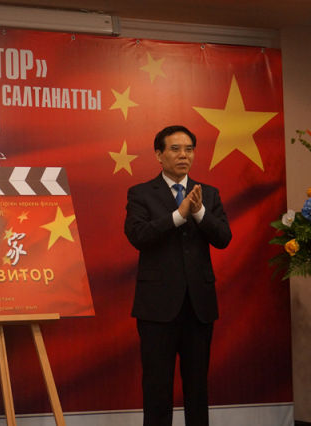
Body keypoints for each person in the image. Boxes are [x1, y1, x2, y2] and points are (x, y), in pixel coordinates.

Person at [124, 125, 232, 426]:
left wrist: (198, 213)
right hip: (157, 307)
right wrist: (178, 215)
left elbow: (224, 238)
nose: (183, 155)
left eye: (189, 149)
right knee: (157, 388)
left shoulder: (208, 194)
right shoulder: (141, 193)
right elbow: (138, 236)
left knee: (197, 387)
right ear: (159, 155)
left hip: (199, 307)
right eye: (175, 149)